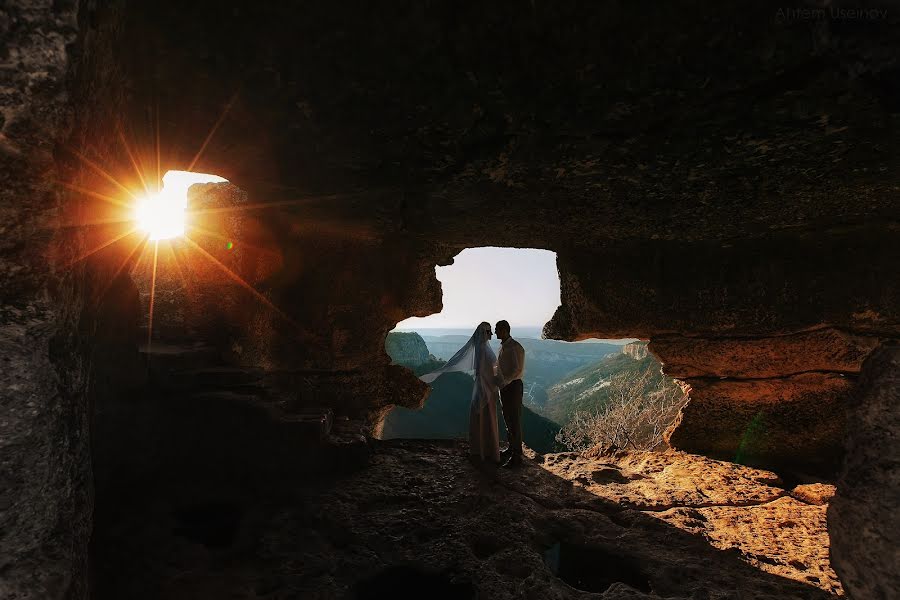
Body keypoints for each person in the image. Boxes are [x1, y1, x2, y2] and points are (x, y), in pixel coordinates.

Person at [419, 322, 501, 465]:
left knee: (484, 419)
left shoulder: (482, 348)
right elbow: (483, 371)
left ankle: (483, 450)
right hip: (485, 388)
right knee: (484, 419)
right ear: (484, 333)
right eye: (489, 332)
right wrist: (496, 381)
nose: (491, 335)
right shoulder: (482, 349)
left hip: (486, 387)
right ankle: (485, 451)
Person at [495, 320, 525, 467]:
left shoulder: (515, 347)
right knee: (508, 419)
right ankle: (511, 448)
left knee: (514, 420)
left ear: (504, 330)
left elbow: (517, 370)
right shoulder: (504, 347)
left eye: (497, 330)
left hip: (512, 387)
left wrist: (504, 381)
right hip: (506, 387)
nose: (495, 332)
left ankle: (517, 456)